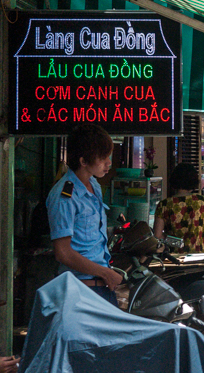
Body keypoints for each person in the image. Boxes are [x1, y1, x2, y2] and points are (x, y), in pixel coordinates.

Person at [46, 123, 120, 306]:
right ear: (83, 161)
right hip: (81, 290)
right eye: (102, 158)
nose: (108, 163)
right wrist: (105, 272)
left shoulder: (94, 185)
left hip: (101, 286)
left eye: (108, 156)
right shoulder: (64, 195)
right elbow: (62, 253)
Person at [154, 163, 204, 253]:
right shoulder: (203, 201)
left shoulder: (164, 205)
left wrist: (176, 242)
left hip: (175, 257)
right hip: (200, 255)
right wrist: (199, 237)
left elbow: (157, 235)